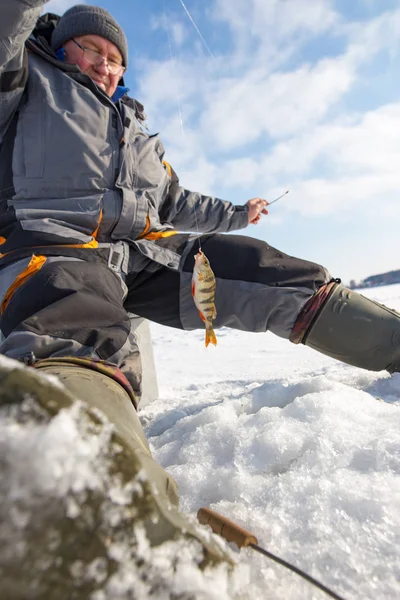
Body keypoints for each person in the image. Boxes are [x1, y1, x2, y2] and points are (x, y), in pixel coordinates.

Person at [1, 1, 399, 593]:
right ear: (62, 47)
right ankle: (91, 515)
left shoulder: (133, 128)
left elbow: (179, 203)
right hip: (50, 249)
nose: (106, 67)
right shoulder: (22, 82)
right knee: (77, 326)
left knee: (258, 268)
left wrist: (241, 212)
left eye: (115, 60)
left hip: (143, 252)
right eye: (93, 52)